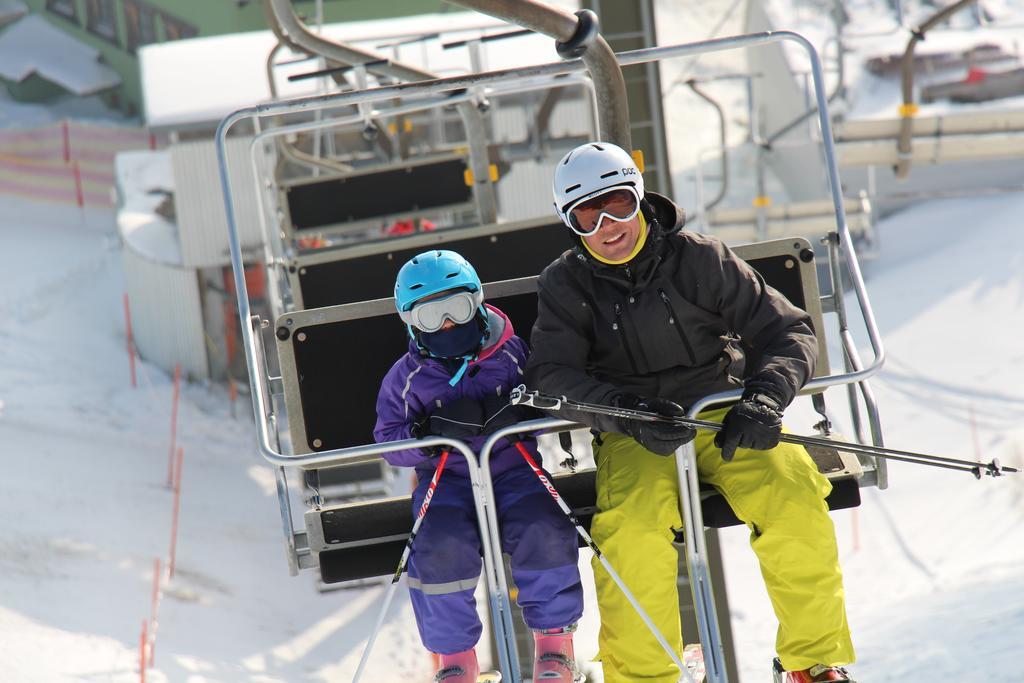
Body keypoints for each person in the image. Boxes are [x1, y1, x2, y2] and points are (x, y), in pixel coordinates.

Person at [524, 141, 856, 683]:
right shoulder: (567, 284)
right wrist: (626, 412)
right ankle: (646, 677)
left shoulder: (699, 258)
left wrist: (766, 396)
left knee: (794, 497)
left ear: (641, 199)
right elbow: (551, 375)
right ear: (570, 224)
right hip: (638, 431)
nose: (608, 225)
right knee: (630, 533)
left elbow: (786, 329)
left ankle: (810, 660)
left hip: (722, 413)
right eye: (588, 215)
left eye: (619, 205)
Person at [374, 249, 584, 683]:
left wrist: (520, 413)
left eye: (457, 309)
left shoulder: (510, 353)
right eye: (431, 317)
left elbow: (547, 398)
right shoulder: (406, 377)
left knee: (543, 526)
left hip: (515, 469)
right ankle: (454, 659)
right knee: (437, 546)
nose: (447, 325)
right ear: (411, 323)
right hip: (447, 483)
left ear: (478, 301)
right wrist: (428, 439)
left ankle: (554, 643)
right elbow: (388, 443)